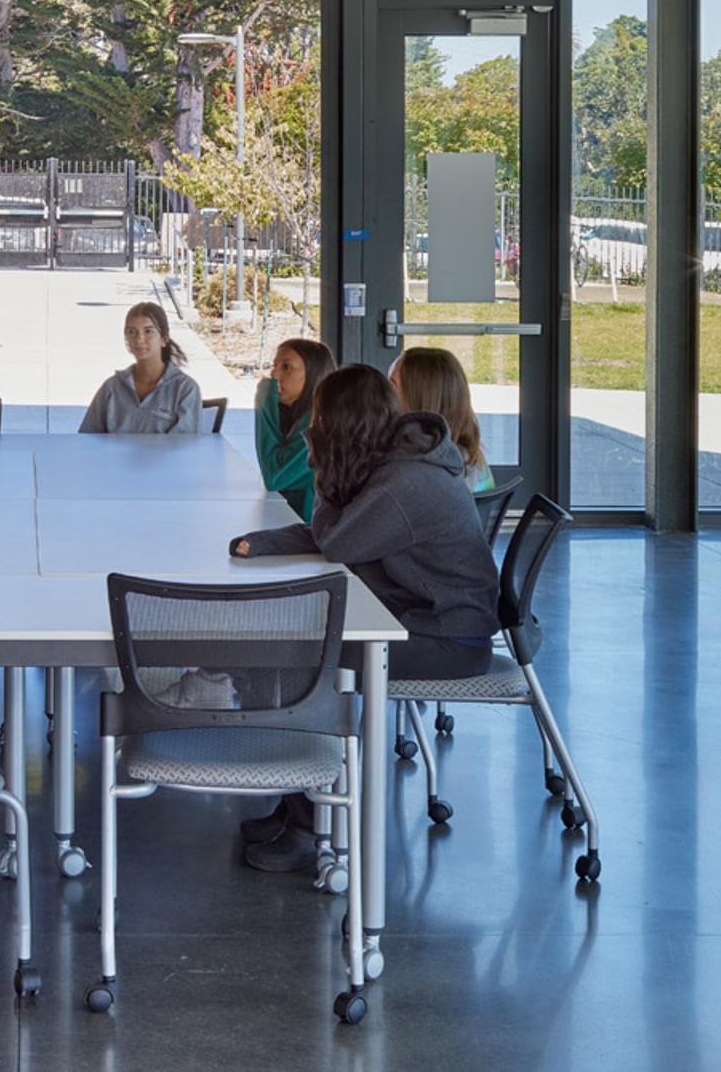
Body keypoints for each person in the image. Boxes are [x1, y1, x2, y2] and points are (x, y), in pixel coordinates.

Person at [227, 363, 501, 873]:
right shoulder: (396, 465)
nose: (313, 427)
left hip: (447, 639)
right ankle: (297, 806)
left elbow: (338, 539)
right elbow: (348, 530)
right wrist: (264, 543)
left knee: (308, 664)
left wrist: (325, 470)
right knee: (304, 651)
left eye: (320, 419)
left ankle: (312, 826)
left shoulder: (405, 483)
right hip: (424, 620)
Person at [76, 301, 203, 434]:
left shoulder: (185, 389)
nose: (139, 339)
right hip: (114, 455)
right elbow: (87, 440)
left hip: (162, 455)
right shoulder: (112, 388)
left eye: (148, 331)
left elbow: (184, 448)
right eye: (132, 332)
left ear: (164, 339)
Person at [387, 346, 496, 492]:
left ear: (419, 400)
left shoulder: (419, 471)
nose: (385, 394)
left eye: (392, 387)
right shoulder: (472, 461)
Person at [253, 337, 337, 521]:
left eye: (286, 367)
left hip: (312, 535)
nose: (274, 374)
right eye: (274, 366)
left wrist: (264, 402)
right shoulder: (299, 416)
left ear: (313, 373)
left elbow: (274, 476)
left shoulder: (321, 421)